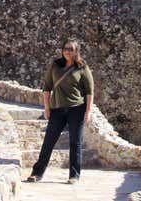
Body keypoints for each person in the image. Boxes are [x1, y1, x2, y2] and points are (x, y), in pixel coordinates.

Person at [26, 39, 94, 184]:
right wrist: (46, 107)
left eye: (70, 49)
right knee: (48, 141)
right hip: (57, 108)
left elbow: (89, 92)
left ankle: (74, 175)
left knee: (75, 142)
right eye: (65, 48)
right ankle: (37, 173)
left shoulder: (82, 67)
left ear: (76, 51)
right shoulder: (55, 65)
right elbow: (46, 87)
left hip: (77, 109)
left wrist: (88, 112)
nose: (67, 51)